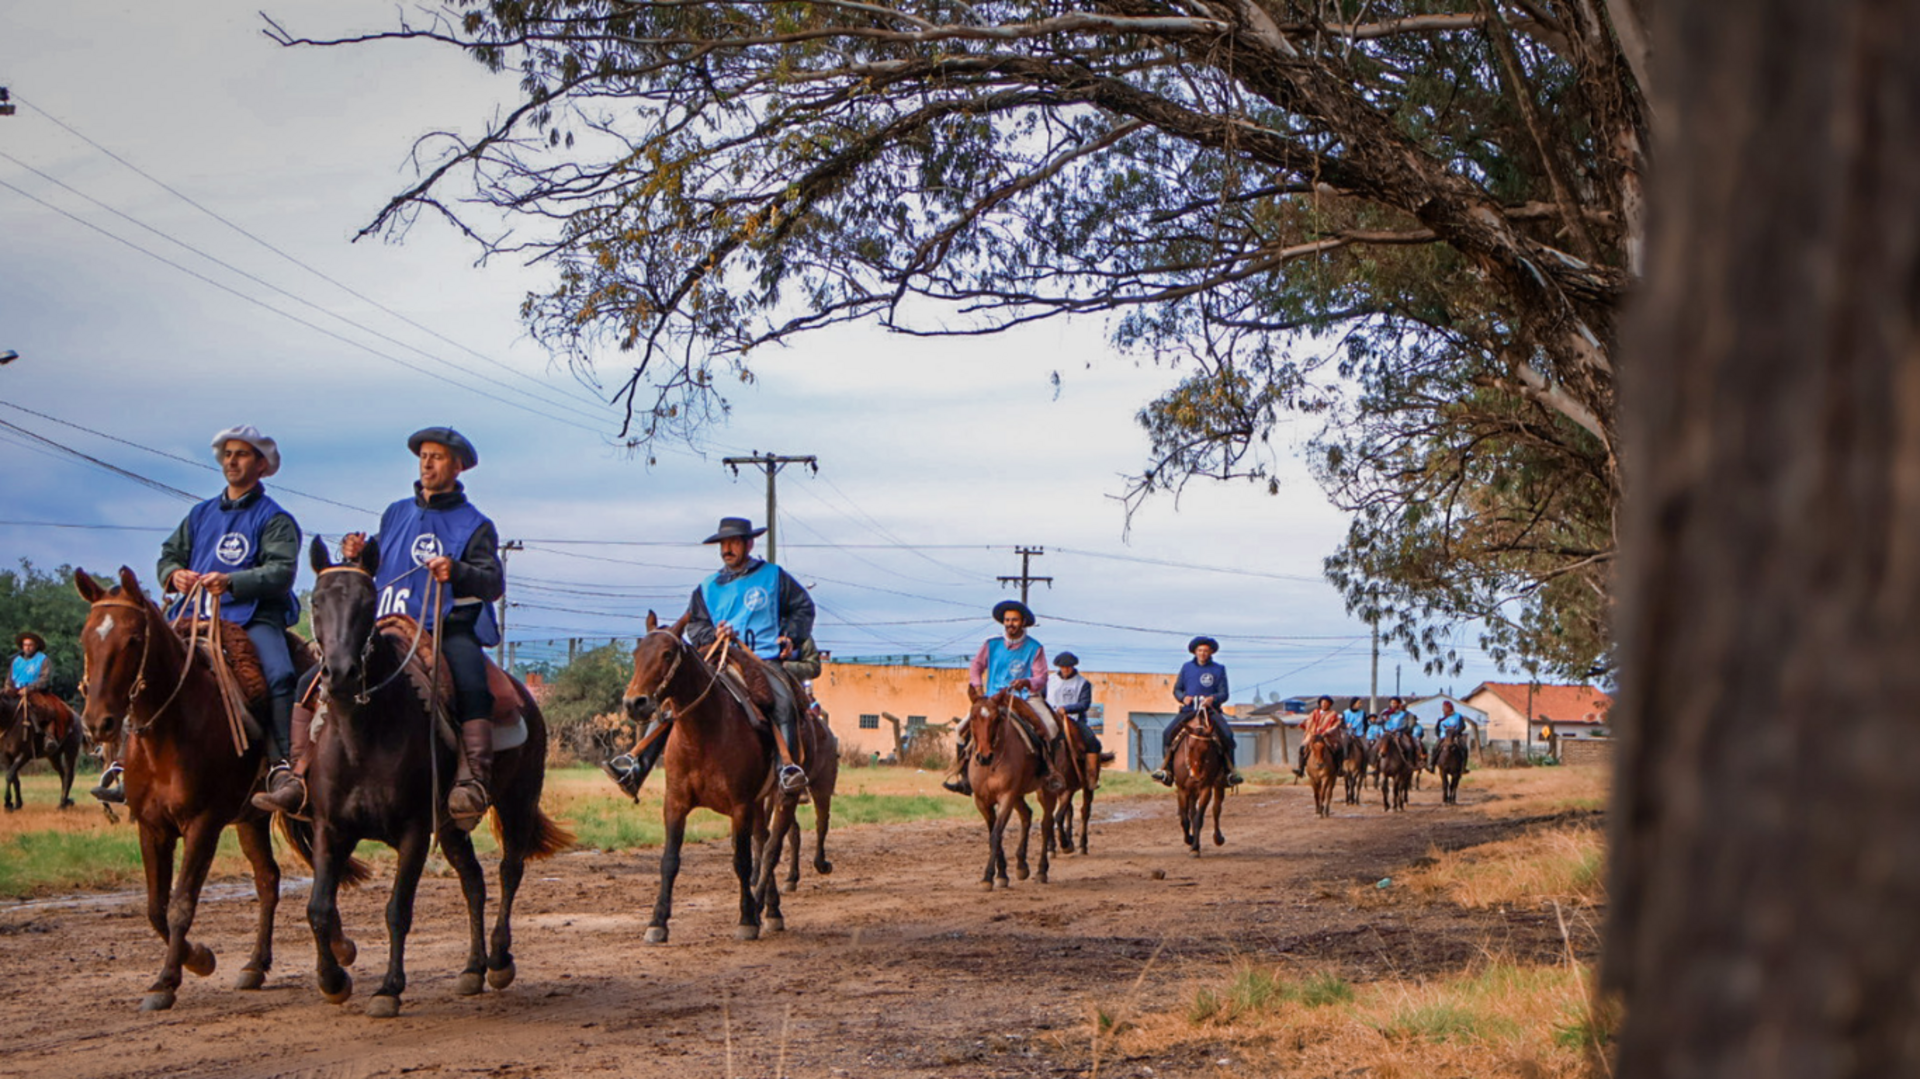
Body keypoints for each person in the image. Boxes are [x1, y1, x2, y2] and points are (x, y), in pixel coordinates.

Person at [256, 427, 501, 830]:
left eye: (437, 457)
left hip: (443, 627)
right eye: (423, 455)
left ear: (458, 467)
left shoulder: (476, 525)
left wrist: (455, 570)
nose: (427, 463)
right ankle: (297, 777)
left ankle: (472, 779)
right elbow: (374, 565)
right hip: (386, 625)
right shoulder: (395, 513)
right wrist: (354, 554)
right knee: (307, 684)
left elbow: (493, 582)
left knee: (473, 683)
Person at [97, 426, 301, 806]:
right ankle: (126, 764)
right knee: (140, 664)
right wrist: (173, 574)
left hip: (251, 618)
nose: (232, 461)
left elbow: (281, 572)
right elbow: (168, 555)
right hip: (192, 613)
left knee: (280, 675)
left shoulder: (276, 520)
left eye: (241, 454)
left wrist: (233, 581)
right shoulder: (200, 514)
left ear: (261, 465)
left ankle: (280, 765)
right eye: (227, 454)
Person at [682, 516, 817, 792]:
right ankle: (637, 762)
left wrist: (790, 636)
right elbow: (696, 625)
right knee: (677, 698)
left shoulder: (773, 576)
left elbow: (803, 607)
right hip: (719, 659)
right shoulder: (706, 587)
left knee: (783, 701)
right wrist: (713, 635)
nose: (727, 549)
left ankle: (787, 770)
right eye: (723, 543)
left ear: (748, 543)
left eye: (733, 542)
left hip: (763, 658)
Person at [943, 599, 1061, 795]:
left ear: (1023, 622)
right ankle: (964, 778)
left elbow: (1041, 677)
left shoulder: (1035, 647)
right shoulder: (991, 645)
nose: (1010, 624)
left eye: (1014, 620)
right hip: (992, 699)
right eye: (1007, 620)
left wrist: (1026, 682)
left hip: (1023, 697)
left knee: (1051, 726)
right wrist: (978, 686)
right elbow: (976, 666)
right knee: (959, 729)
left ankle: (1049, 772)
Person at [1152, 636, 1240, 787]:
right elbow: (1177, 689)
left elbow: (1224, 694)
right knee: (1167, 733)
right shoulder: (1187, 668)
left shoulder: (1219, 669)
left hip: (1211, 713)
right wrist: (1183, 697)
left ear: (1211, 652)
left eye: (1206, 651)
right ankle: (1167, 771)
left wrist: (1212, 699)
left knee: (1228, 735)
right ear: (1194, 652)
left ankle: (1229, 773)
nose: (1202, 653)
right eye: (1200, 650)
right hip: (1188, 711)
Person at [1044, 651, 1114, 770]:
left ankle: (1091, 776)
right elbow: (1041, 696)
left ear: (1073, 667)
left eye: (1068, 667)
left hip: (1074, 719)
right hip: (1050, 718)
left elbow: (1084, 704)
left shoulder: (1082, 683)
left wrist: (1066, 709)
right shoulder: (1049, 680)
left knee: (1093, 742)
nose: (1065, 670)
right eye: (1063, 667)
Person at [1294, 695, 1343, 776]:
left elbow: (1335, 725)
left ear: (1329, 704)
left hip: (1327, 736)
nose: (1323, 704)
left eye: (1326, 703)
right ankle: (1301, 768)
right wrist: (1312, 730)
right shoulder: (1314, 712)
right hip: (1313, 735)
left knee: (1338, 748)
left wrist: (1326, 732)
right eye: (1322, 702)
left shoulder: (1333, 714)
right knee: (1302, 747)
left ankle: (1339, 768)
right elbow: (1309, 722)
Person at [1430, 701, 1469, 772]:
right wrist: (1439, 736)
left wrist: (1457, 732)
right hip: (1443, 736)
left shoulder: (1458, 716)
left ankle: (1463, 767)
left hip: (1455, 736)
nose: (1443, 709)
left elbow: (1463, 726)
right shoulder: (1441, 717)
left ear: (1450, 708)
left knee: (1464, 747)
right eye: (1443, 708)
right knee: (1435, 747)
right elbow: (1437, 727)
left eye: (1445, 708)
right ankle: (1432, 765)